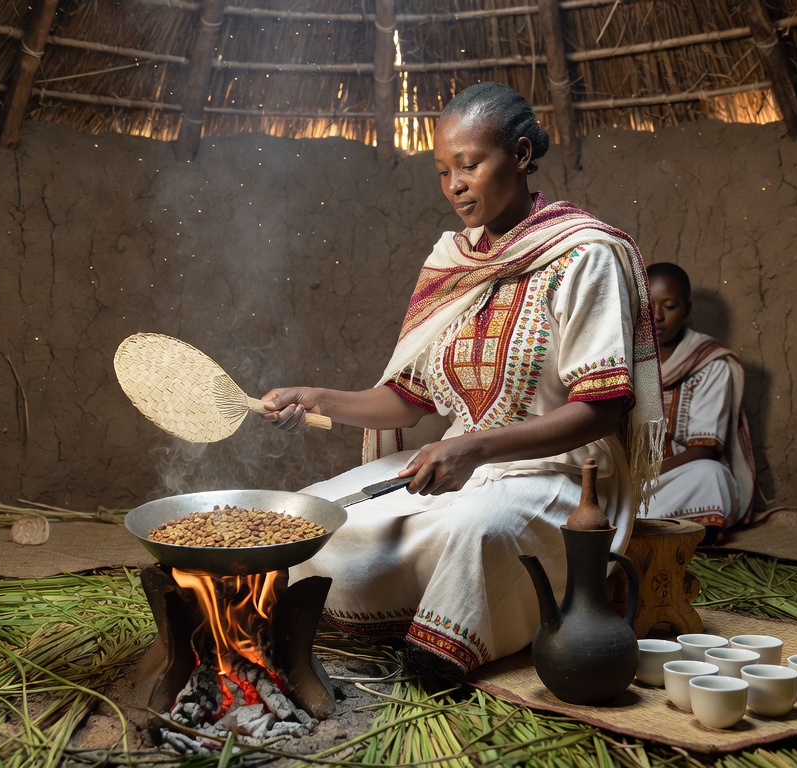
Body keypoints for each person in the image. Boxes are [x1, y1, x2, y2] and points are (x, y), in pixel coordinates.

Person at [258, 82, 664, 677]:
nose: (455, 185)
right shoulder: (452, 265)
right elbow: (407, 400)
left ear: (520, 155)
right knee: (311, 514)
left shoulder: (584, 255)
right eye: (443, 171)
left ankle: (439, 650)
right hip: (456, 464)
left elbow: (602, 408)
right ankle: (356, 620)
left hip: (561, 475)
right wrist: (315, 397)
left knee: (476, 531)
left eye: (470, 165)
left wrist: (475, 448)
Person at [644, 262, 757, 536]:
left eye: (669, 306)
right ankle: (638, 524)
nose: (657, 316)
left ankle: (639, 528)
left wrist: (644, 477)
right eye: (648, 305)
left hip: (677, 478)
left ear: (686, 310)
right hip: (627, 481)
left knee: (710, 475)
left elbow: (706, 449)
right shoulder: (623, 356)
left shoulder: (709, 362)